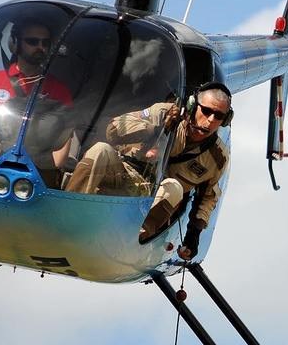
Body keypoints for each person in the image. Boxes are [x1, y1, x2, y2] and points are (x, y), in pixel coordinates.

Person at [65, 82, 232, 258]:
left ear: (225, 120)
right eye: (206, 111)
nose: (211, 120)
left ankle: (129, 243)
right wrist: (156, 130)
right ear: (192, 105)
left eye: (219, 116)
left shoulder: (217, 157)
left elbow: (208, 197)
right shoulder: (163, 112)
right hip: (126, 174)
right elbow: (113, 129)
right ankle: (68, 218)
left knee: (174, 187)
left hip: (152, 199)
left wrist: (194, 234)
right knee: (101, 150)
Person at [0, 18, 73, 175]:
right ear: (14, 43)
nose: (40, 47)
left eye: (45, 43)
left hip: (35, 163)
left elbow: (66, 132)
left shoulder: (59, 90)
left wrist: (51, 164)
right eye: (33, 41)